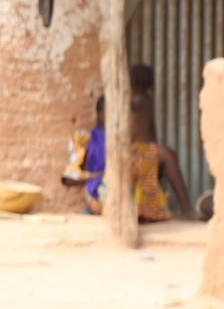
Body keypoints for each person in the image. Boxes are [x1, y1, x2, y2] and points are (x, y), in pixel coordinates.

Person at [67, 67, 194, 222]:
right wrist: (101, 175)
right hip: (101, 192)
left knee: (154, 159)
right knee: (162, 156)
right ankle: (184, 208)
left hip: (122, 176)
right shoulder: (87, 139)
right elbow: (69, 178)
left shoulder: (129, 122)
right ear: (100, 115)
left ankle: (149, 210)